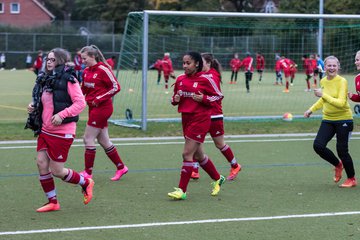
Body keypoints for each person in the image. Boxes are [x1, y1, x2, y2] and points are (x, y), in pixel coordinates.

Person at [26, 48, 94, 212]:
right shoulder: (44, 79)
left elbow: (80, 103)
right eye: (48, 59)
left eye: (53, 60)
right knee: (41, 163)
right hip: (45, 130)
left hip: (62, 132)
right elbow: (46, 102)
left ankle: (85, 182)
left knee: (57, 171)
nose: (49, 62)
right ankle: (53, 202)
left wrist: (62, 115)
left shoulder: (69, 78)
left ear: (61, 61)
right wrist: (34, 106)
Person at [168, 51, 225, 200]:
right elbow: (174, 100)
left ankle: (182, 190)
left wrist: (204, 98)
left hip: (200, 119)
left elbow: (219, 95)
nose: (185, 66)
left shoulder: (206, 79)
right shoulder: (180, 79)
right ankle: (218, 178)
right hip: (186, 119)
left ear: (197, 64)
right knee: (199, 156)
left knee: (187, 154)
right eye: (183, 63)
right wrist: (175, 99)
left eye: (188, 63)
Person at [304, 55, 356, 188]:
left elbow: (341, 103)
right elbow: (324, 100)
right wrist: (311, 109)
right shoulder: (323, 81)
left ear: (338, 67)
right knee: (318, 146)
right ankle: (338, 165)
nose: (331, 68)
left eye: (334, 65)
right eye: (329, 65)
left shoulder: (342, 81)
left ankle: (351, 178)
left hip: (344, 119)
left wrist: (323, 94)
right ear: (325, 67)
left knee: (342, 150)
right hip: (328, 119)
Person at [79, 45, 128, 181]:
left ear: (93, 56)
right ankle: (121, 167)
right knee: (103, 140)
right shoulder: (86, 71)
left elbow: (116, 87)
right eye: (81, 59)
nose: (83, 61)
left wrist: (99, 98)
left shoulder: (103, 69)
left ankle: (88, 173)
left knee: (88, 138)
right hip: (93, 107)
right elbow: (83, 90)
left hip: (102, 108)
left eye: (85, 58)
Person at [191, 53, 241, 181]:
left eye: (201, 62)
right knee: (196, 142)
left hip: (214, 115)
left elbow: (218, 96)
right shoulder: (199, 74)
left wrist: (204, 98)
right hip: (201, 116)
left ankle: (235, 165)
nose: (198, 65)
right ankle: (195, 169)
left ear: (208, 63)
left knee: (219, 144)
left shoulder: (212, 76)